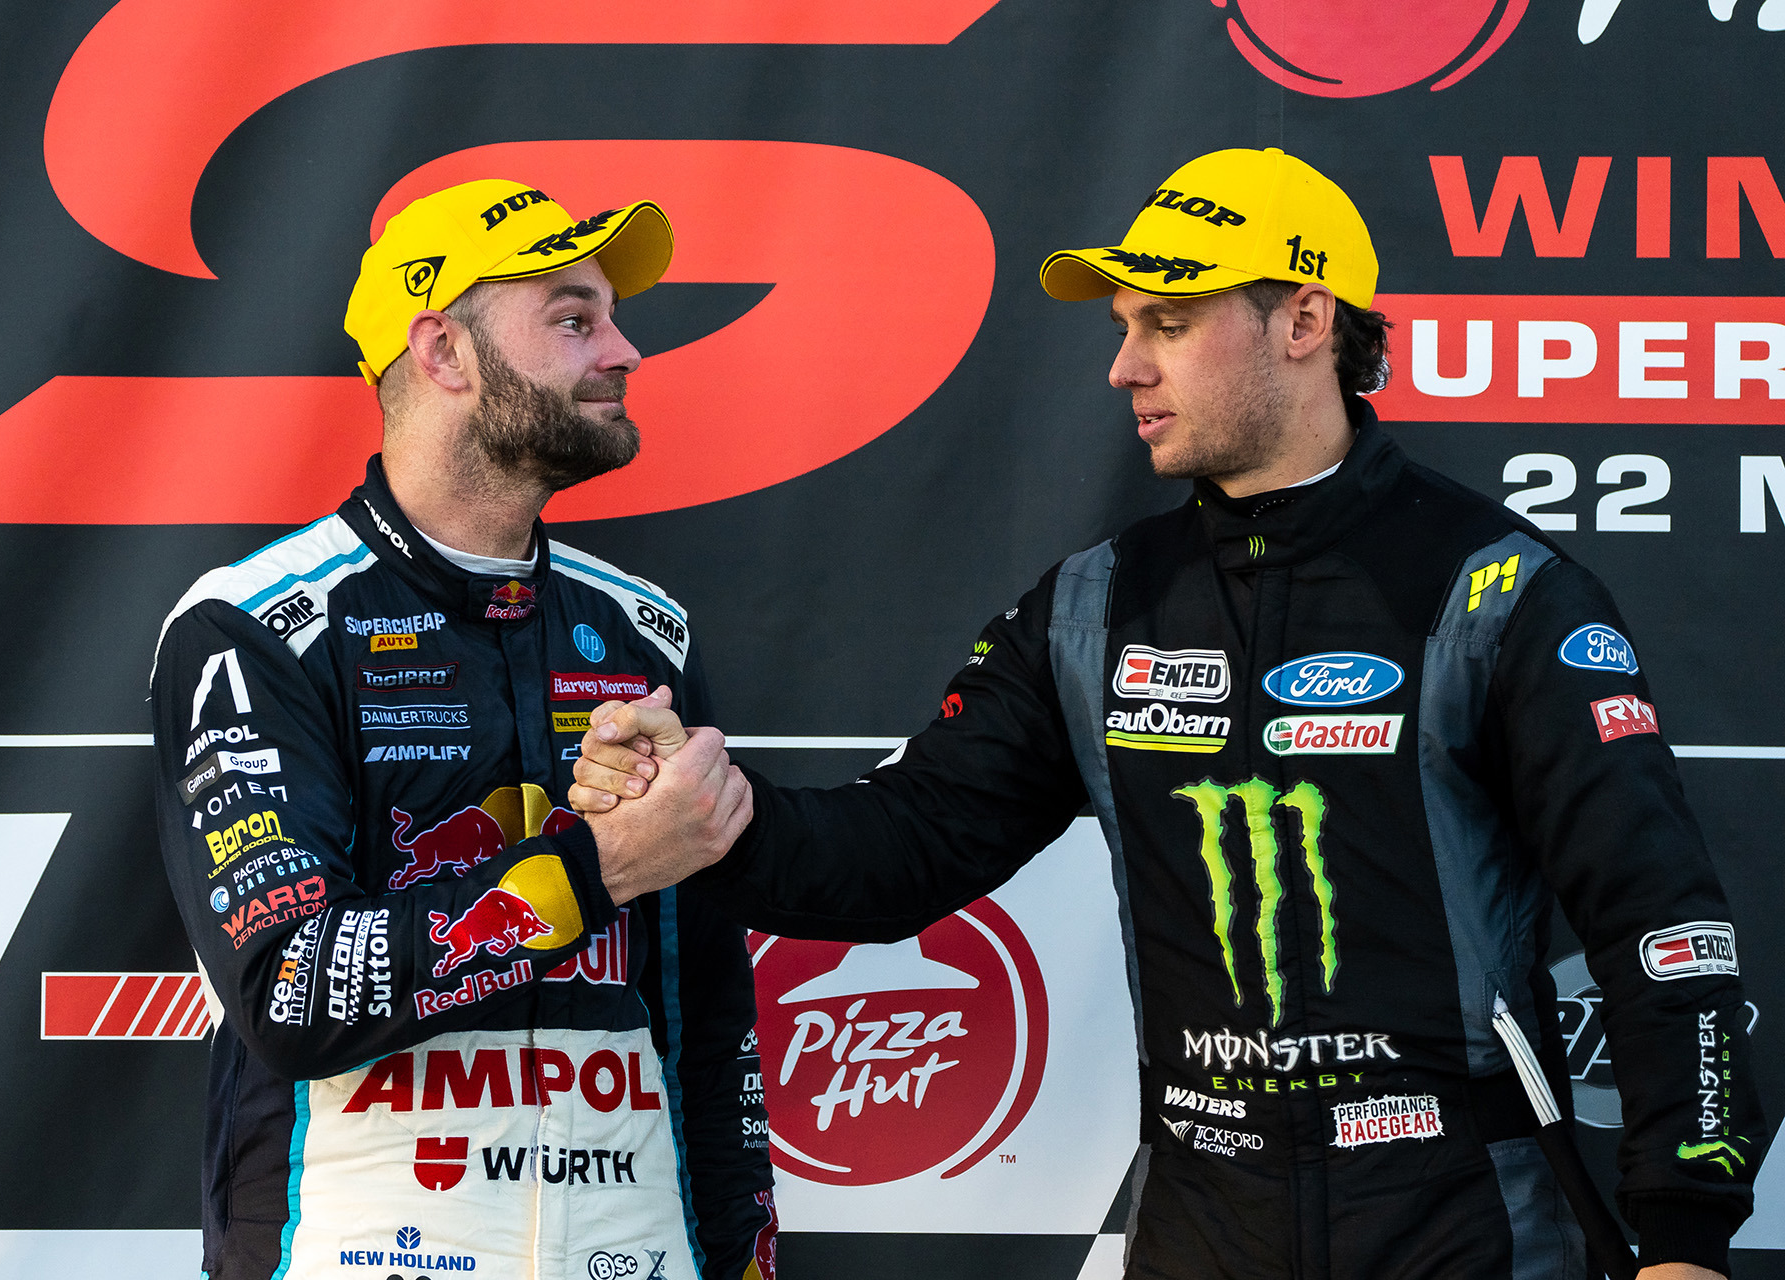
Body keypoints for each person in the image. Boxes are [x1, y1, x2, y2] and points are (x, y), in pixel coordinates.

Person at [572, 149, 1766, 1279]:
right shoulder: (1096, 606)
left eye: (1170, 322)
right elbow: (901, 851)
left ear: (1304, 321)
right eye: (1125, 327)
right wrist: (712, 815)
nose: (1125, 366)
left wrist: (1684, 1233)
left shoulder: (1495, 592)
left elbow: (1663, 931)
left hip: (1465, 1220)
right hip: (1205, 1221)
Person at [150, 177, 773, 1280]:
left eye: (611, 318)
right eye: (574, 318)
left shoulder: (644, 630)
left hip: (636, 1244)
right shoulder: (256, 628)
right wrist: (599, 865)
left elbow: (708, 1011)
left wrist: (745, 1257)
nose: (624, 349)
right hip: (354, 1243)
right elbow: (290, 988)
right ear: (443, 352)